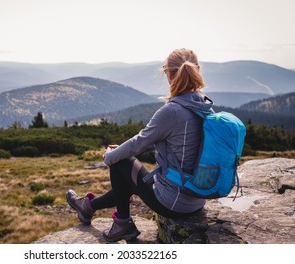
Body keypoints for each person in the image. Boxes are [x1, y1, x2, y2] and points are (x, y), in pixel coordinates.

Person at [66, 48, 213, 242]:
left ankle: (122, 223)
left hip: (174, 202)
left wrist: (110, 156)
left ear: (168, 74)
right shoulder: (204, 104)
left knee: (120, 159)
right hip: (196, 199)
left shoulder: (172, 111)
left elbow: (139, 143)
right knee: (128, 173)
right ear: (197, 70)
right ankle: (88, 206)